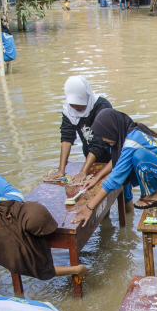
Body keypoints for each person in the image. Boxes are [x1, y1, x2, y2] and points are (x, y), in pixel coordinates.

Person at [71, 109, 157, 223]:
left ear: (112, 129)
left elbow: (115, 178)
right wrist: (97, 178)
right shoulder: (129, 133)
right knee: (131, 160)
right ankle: (156, 191)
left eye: (104, 135)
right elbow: (118, 161)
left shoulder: (132, 140)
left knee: (139, 156)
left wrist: (89, 207)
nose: (103, 139)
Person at [44, 76, 132, 211]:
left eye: (80, 106)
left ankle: (127, 221)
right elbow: (66, 137)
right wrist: (61, 170)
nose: (77, 109)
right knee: (98, 197)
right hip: (93, 161)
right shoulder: (69, 110)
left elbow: (98, 142)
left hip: (114, 156)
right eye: (73, 107)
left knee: (124, 192)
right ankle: (105, 222)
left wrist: (83, 171)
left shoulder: (101, 106)